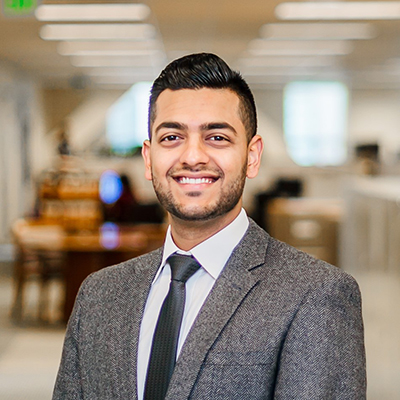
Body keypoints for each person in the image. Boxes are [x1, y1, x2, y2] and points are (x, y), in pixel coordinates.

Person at [53, 53, 366, 399]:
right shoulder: (99, 295)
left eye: (216, 137)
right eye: (172, 137)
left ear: (252, 155)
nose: (192, 156)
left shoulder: (316, 296)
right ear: (148, 157)